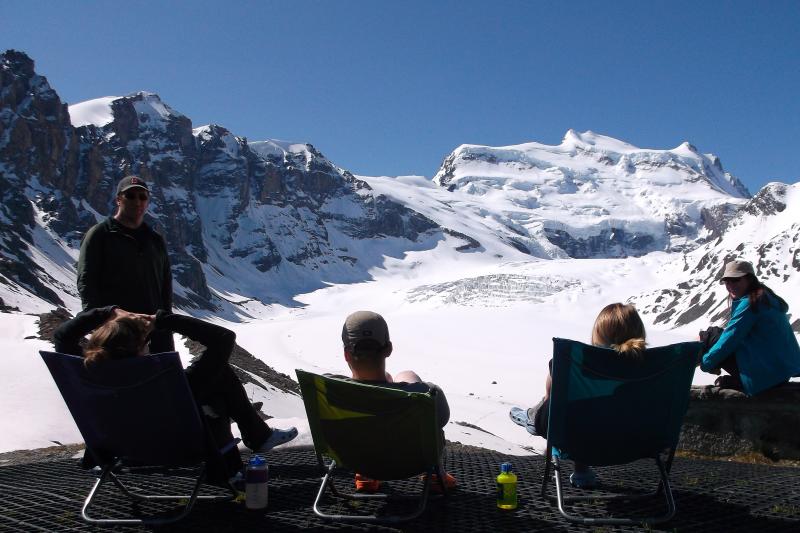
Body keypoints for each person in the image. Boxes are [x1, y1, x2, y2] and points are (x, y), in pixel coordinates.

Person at [53, 305, 298, 480]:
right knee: (219, 380)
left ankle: (258, 436)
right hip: (183, 451)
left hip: (117, 453)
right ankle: (250, 444)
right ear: (141, 347)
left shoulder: (84, 376)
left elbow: (62, 335)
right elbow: (223, 338)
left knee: (218, 377)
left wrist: (108, 312)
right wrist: (161, 319)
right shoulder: (175, 384)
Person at [509, 303, 647, 489]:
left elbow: (552, 396)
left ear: (598, 335)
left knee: (573, 407)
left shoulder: (577, 362)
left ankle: (533, 417)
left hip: (578, 434)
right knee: (594, 411)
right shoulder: (656, 366)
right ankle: (581, 472)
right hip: (637, 441)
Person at [331, 310, 455, 492]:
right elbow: (442, 419)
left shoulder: (329, 390)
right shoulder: (426, 394)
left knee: (381, 381)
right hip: (411, 464)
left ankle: (365, 476)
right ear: (388, 349)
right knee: (406, 375)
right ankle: (436, 477)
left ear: (346, 355)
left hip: (357, 461)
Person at [77, 175, 174, 353]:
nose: (137, 202)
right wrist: (101, 321)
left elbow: (165, 287)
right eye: (130, 196)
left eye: (142, 197)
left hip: (152, 330)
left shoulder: (155, 240)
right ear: (118, 200)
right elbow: (86, 281)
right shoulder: (100, 235)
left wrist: (164, 324)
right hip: (115, 332)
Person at [698, 259, 800, 395]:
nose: (730, 284)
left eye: (735, 280)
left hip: (766, 375)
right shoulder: (766, 297)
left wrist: (705, 364)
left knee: (710, 336)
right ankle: (738, 380)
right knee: (714, 335)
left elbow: (729, 340)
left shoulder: (750, 303)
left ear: (750, 279)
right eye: (727, 281)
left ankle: (681, 374)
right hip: (779, 371)